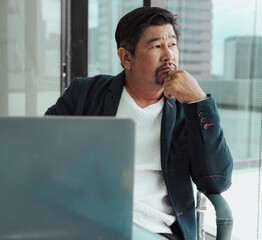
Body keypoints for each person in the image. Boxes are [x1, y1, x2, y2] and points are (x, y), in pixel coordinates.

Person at [45, 7, 233, 240]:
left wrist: (200, 103)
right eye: (156, 46)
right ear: (126, 58)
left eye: (172, 45)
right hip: (90, 224)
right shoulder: (86, 93)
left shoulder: (189, 108)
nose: (168, 56)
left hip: (157, 230)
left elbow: (217, 182)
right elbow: (41, 147)